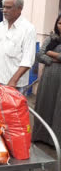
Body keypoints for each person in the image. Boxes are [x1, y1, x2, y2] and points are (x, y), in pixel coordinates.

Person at [0, 0, 36, 92]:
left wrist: (13, 81)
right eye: (3, 7)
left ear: (19, 9)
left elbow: (28, 60)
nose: (4, 10)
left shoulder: (28, 29)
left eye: (8, 7)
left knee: (12, 107)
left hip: (14, 84)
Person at [32, 14, 61, 147]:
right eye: (60, 23)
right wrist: (53, 59)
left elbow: (46, 52)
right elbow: (39, 55)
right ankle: (41, 136)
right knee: (46, 103)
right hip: (49, 77)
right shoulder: (51, 38)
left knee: (58, 108)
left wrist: (51, 54)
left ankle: (55, 140)